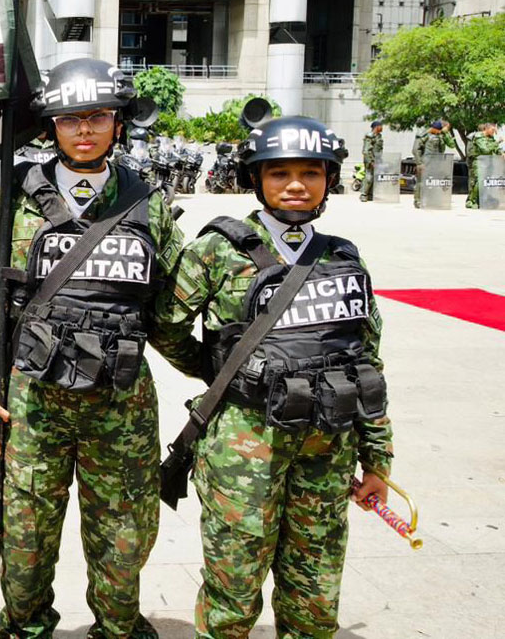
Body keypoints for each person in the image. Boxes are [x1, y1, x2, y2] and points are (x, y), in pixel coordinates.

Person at [0, 58, 188, 639]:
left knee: (124, 535)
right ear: (50, 127)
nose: (84, 130)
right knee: (25, 534)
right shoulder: (17, 197)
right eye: (70, 119)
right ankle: (26, 628)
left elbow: (171, 304)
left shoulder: (149, 201)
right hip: (32, 401)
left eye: (97, 117)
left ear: (119, 124)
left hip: (123, 403)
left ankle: (116, 628)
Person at [152, 109, 393, 639]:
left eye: (311, 173)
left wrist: (377, 459)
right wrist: (219, 373)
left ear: (329, 180)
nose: (296, 186)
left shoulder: (342, 258)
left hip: (327, 451)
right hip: (244, 447)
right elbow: (167, 325)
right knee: (232, 591)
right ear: (255, 178)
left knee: (315, 591)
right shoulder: (217, 250)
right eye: (279, 173)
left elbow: (367, 364)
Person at [411, 120, 447, 208]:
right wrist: (419, 163)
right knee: (421, 182)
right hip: (425, 163)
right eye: (438, 130)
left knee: (432, 182)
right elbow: (415, 150)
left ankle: (431, 199)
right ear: (434, 129)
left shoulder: (438, 136)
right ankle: (418, 200)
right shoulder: (424, 135)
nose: (439, 132)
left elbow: (441, 150)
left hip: (435, 164)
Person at [466, 122, 500, 209]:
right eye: (493, 129)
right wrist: (498, 142)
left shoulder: (490, 137)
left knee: (485, 181)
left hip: (487, 161)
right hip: (478, 161)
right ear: (487, 129)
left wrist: (501, 152)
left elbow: (495, 148)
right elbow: (485, 149)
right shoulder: (478, 137)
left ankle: (481, 199)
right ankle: (472, 201)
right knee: (479, 180)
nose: (494, 131)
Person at [359, 120, 383, 201]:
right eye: (380, 126)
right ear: (376, 127)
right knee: (369, 177)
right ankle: (363, 194)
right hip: (370, 159)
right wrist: (371, 161)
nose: (382, 128)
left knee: (374, 178)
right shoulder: (370, 136)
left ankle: (370, 194)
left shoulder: (379, 136)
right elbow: (366, 151)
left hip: (377, 159)